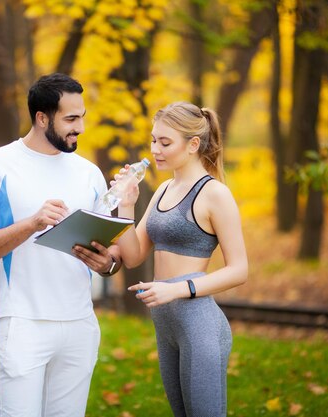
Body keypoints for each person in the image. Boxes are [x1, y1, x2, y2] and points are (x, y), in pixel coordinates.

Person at [0, 73, 122, 417]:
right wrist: (32, 223)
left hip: (79, 324)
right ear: (42, 118)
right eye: (71, 119)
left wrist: (108, 262)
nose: (80, 128)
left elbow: (111, 253)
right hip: (22, 323)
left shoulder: (90, 173)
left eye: (82, 117)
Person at [113, 101, 248, 417]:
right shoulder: (162, 191)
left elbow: (240, 270)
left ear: (193, 145)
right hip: (166, 324)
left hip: (198, 322)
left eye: (164, 142)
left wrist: (176, 289)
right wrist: (126, 206)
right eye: (153, 139)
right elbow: (132, 257)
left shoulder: (214, 194)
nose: (154, 149)